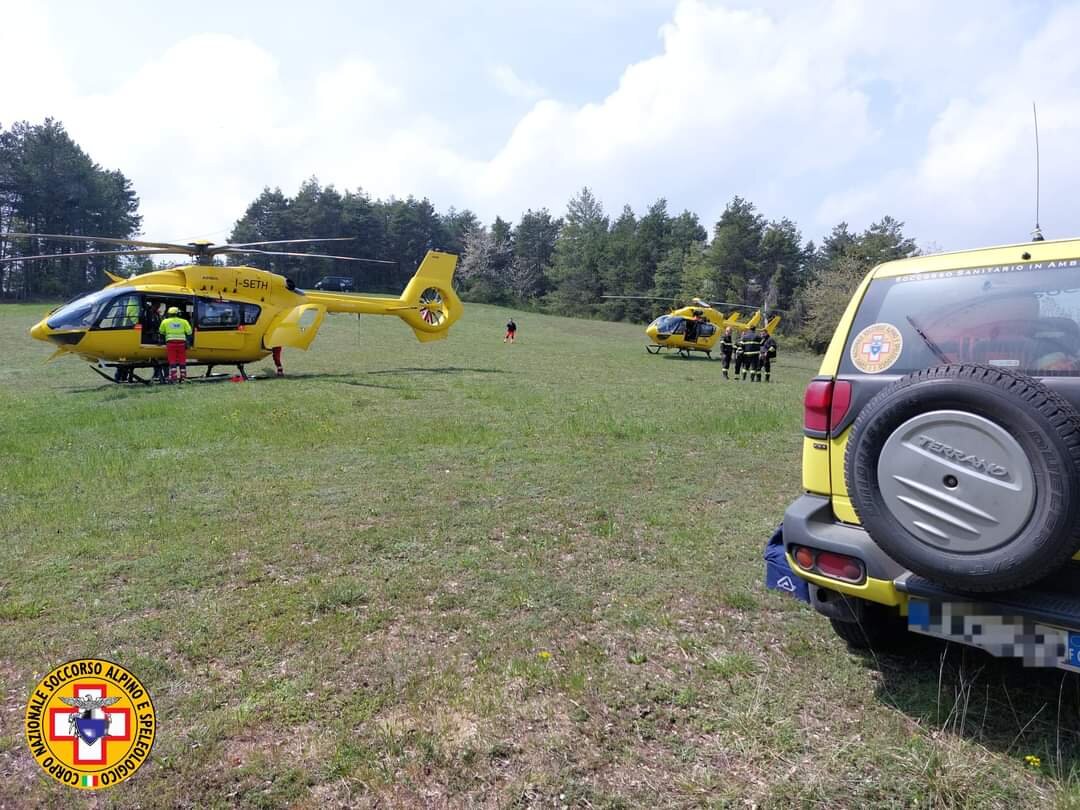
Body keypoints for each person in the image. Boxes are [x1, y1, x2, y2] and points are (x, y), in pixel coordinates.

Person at [159, 306, 192, 383]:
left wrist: (161, 341)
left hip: (171, 343)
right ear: (178, 314)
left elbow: (161, 332)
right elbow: (189, 333)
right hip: (182, 343)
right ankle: (183, 377)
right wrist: (188, 342)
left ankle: (173, 378)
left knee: (172, 360)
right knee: (182, 360)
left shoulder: (165, 321)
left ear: (169, 314)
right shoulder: (184, 321)